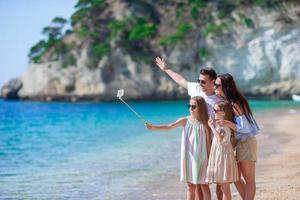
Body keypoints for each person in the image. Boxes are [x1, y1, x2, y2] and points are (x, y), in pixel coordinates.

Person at [155, 57, 224, 199]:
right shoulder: (196, 89)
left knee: (215, 182)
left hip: (212, 143)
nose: (200, 84)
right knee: (196, 182)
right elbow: (181, 81)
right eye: (199, 81)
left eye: (203, 81)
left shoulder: (219, 100)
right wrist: (166, 69)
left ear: (213, 81)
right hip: (195, 144)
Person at [146, 96, 211, 200]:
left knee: (204, 185)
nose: (190, 109)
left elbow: (208, 143)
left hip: (202, 159)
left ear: (201, 108)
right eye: (189, 106)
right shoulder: (185, 120)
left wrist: (210, 161)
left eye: (194, 106)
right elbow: (169, 127)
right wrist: (153, 127)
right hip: (189, 158)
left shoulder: (206, 123)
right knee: (190, 187)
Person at [213, 73, 260, 200]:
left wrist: (227, 123)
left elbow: (245, 128)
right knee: (236, 178)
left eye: (217, 85)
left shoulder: (235, 104)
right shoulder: (228, 103)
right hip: (238, 144)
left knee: (248, 178)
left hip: (246, 142)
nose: (214, 87)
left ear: (225, 87)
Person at [206, 101, 238, 200]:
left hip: (223, 157)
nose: (213, 112)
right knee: (224, 187)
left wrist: (211, 126)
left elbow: (220, 139)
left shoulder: (223, 125)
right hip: (221, 155)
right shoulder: (221, 124)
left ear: (223, 112)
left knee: (225, 188)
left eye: (215, 110)